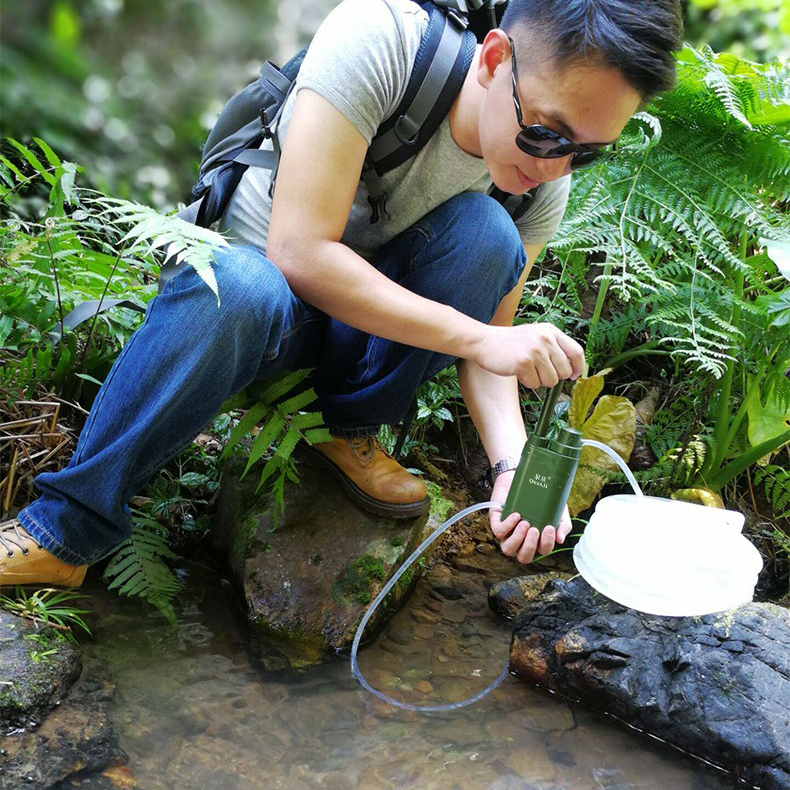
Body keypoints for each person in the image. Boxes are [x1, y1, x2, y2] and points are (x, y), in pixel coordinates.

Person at [0, 0, 682, 588]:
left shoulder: (540, 185)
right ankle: (66, 532)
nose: (555, 166)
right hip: (244, 319)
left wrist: (510, 467)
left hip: (357, 344)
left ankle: (343, 430)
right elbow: (297, 251)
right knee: (242, 286)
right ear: (495, 58)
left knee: (487, 236)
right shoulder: (382, 39)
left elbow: (491, 349)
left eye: (585, 151)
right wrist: (483, 337)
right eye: (546, 133)